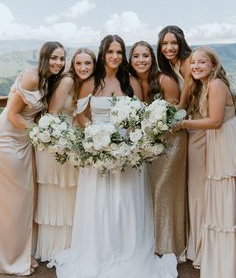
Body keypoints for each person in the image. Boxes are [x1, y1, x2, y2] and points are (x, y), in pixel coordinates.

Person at [53, 35, 178, 278]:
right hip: (97, 152)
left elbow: (142, 117)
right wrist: (94, 133)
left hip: (127, 153)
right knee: (99, 203)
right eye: (110, 51)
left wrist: (129, 141)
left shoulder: (131, 81)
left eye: (119, 52)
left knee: (124, 201)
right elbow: (80, 115)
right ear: (103, 53)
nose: (115, 56)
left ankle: (127, 249)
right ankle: (99, 251)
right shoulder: (90, 82)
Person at [0, 41, 65, 276]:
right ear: (43, 58)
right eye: (54, 58)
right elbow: (13, 113)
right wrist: (38, 132)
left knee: (25, 201)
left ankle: (21, 253)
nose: (58, 62)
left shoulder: (49, 79)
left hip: (24, 142)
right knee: (15, 203)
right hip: (8, 142)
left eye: (62, 58)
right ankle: (10, 260)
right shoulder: (32, 77)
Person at [174, 46, 236, 278]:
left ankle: (226, 256)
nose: (197, 66)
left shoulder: (216, 84)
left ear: (213, 65)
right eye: (193, 63)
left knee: (223, 194)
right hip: (216, 141)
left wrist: (184, 125)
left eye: (202, 62)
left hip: (223, 140)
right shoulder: (201, 85)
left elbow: (216, 121)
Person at [35, 48, 96, 263]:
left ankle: (69, 246)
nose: (83, 68)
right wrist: (62, 141)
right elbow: (52, 114)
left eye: (88, 63)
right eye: (78, 63)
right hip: (56, 145)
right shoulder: (69, 81)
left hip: (70, 144)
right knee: (60, 193)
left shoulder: (85, 83)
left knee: (70, 195)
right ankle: (56, 249)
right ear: (73, 65)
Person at [148, 27, 190, 258]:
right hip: (167, 132)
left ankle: (171, 245)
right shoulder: (169, 68)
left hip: (178, 133)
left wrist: (173, 116)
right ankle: (162, 240)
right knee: (162, 188)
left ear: (181, 43)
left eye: (173, 43)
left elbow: (183, 104)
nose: (169, 48)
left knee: (168, 187)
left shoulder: (186, 63)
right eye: (164, 44)